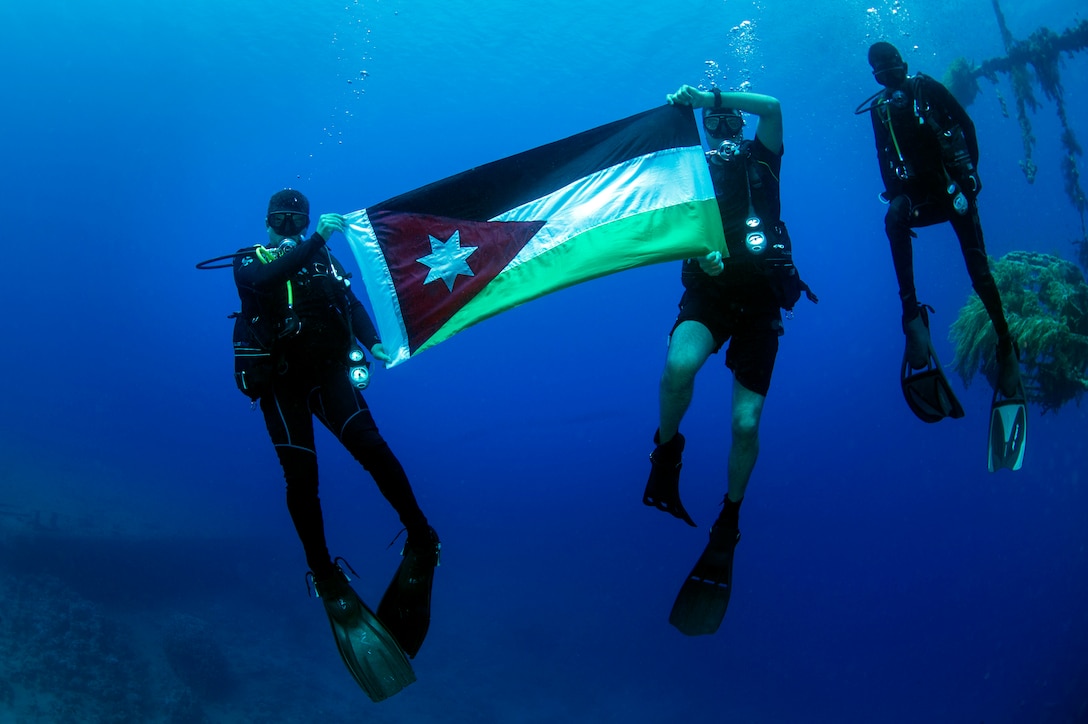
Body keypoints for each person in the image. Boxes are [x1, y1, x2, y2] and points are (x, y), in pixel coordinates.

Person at [232, 189, 440, 700]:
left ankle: (421, 535)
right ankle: (325, 575)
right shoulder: (248, 259)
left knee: (372, 447)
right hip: (282, 384)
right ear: (266, 220)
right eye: (280, 218)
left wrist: (373, 344)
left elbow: (349, 303)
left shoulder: (322, 260)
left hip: (329, 376)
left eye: (297, 219)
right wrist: (319, 236)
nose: (288, 225)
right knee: (302, 479)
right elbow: (265, 281)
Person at [644, 85, 812, 635]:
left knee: (745, 423)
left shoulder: (764, 157)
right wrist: (701, 254)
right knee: (677, 369)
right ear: (703, 133)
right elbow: (665, 232)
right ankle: (666, 452)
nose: (721, 130)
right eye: (711, 124)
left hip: (761, 299)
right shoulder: (688, 172)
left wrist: (711, 95)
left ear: (737, 122)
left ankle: (729, 518)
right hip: (710, 295)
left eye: (727, 120)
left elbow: (776, 106)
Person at [865, 42, 1021, 400]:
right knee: (893, 219)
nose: (887, 72)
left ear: (903, 63)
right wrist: (896, 196)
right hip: (917, 196)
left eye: (891, 64)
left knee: (978, 271)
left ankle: (1005, 343)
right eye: (879, 68)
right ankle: (913, 321)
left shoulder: (928, 88)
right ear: (874, 75)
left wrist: (972, 176)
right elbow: (882, 155)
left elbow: (965, 124)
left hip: (950, 187)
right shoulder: (879, 109)